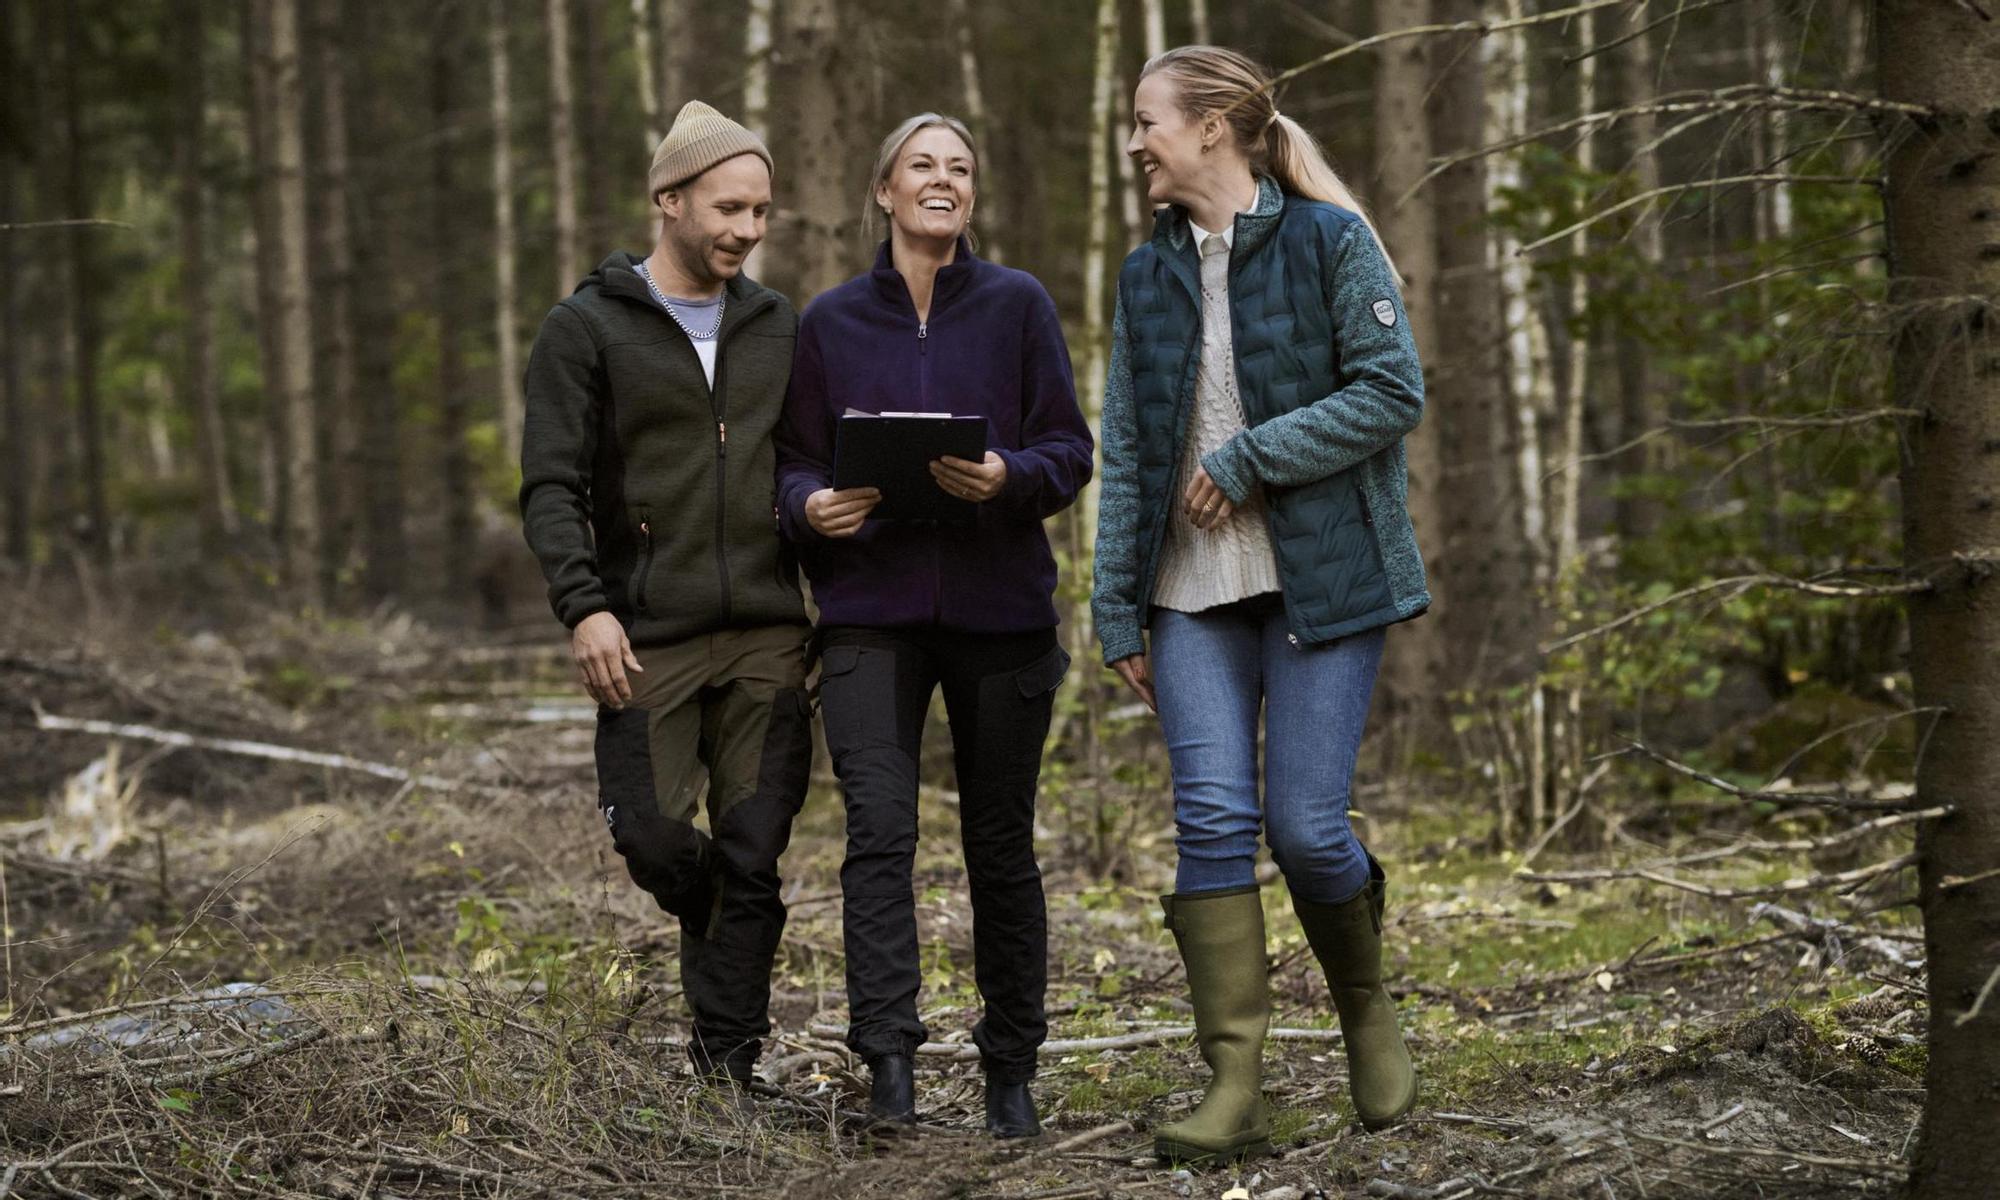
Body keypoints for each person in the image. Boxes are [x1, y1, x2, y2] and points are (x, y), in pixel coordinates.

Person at [1091, 46, 1428, 1162]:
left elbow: (1391, 392)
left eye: (1147, 122)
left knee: (1302, 826)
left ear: (1214, 127)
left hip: (1322, 580)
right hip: (1190, 595)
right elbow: (1132, 448)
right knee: (1212, 824)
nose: (1135, 141)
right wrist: (1112, 612)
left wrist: (1246, 459)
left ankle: (1366, 1010)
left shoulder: (1334, 243)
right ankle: (1232, 1078)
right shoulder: (1145, 276)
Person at [775, 113, 1094, 1137]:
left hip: (1002, 618)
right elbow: (788, 462)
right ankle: (889, 1070)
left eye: (959, 167)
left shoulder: (1015, 306)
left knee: (999, 845)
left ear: (970, 195)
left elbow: (1067, 450)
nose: (942, 180)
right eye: (922, 165)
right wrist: (808, 507)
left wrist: (1006, 476)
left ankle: (1010, 1074)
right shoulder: (827, 322)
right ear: (884, 191)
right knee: (879, 833)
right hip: (868, 614)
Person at [520, 100, 811, 1102]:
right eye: (728, 207)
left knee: (755, 847)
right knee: (652, 836)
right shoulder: (586, 327)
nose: (745, 229)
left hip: (770, 633)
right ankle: (711, 915)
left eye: (761, 212)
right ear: (668, 199)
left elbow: (805, 463)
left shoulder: (780, 328)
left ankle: (728, 1071)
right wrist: (583, 606)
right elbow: (550, 484)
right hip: (645, 633)